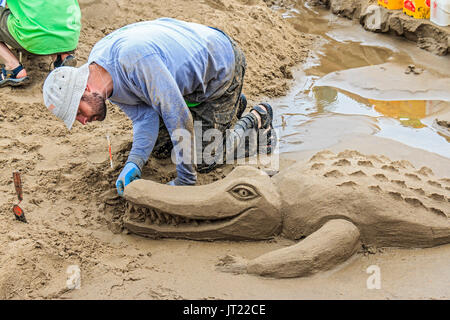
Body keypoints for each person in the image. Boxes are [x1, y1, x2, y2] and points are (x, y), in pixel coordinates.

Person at [42, 18, 275, 195]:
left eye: (79, 113)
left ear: (84, 91)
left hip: (220, 69)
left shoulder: (133, 61)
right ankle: (233, 108)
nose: (83, 121)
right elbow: (145, 119)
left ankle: (255, 118)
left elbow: (178, 116)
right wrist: (134, 162)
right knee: (161, 148)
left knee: (202, 159)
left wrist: (186, 179)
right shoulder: (101, 79)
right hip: (185, 85)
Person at [0, 0, 81, 87]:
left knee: (31, 16)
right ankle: (61, 56)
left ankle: (13, 68)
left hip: (34, 37)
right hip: (70, 33)